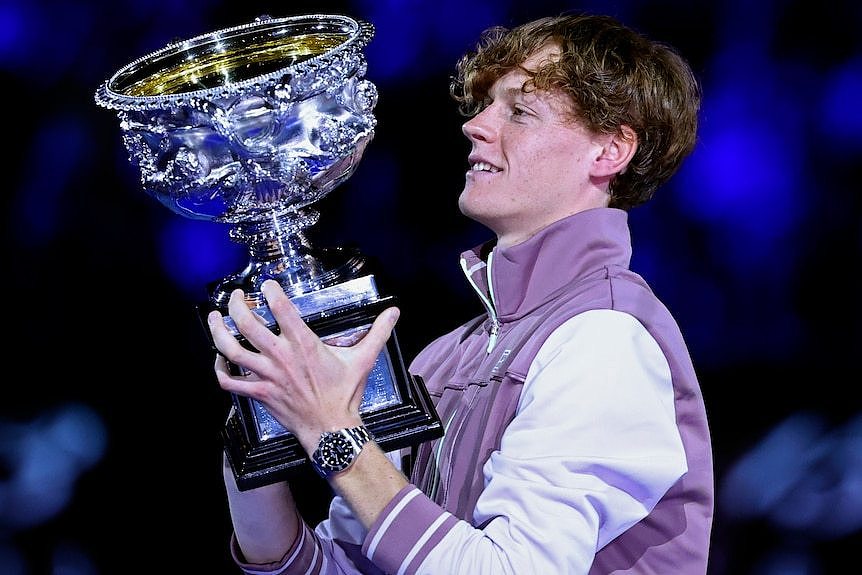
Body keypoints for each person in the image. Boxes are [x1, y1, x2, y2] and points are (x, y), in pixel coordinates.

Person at [206, 11, 714, 574]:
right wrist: (258, 439)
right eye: (485, 105)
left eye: (520, 111)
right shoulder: (448, 354)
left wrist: (332, 432)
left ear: (608, 151)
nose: (475, 126)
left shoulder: (605, 338)